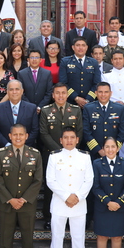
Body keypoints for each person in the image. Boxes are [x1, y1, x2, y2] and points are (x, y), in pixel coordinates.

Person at [0, 123, 43, 248]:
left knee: (28, 236)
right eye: (15, 134)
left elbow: (38, 180)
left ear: (27, 136)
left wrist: (24, 199)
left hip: (27, 204)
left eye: (21, 134)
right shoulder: (0, 153)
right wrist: (10, 199)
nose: (18, 137)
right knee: (6, 236)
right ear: (10, 136)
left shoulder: (35, 154)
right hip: (7, 203)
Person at [47, 127, 94, 248]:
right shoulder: (54, 156)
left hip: (78, 205)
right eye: (66, 137)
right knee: (57, 237)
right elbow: (50, 180)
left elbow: (89, 180)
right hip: (59, 204)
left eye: (72, 137)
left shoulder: (85, 156)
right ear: (61, 140)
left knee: (79, 238)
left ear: (77, 140)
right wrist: (67, 196)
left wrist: (78, 197)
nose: (69, 140)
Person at [39, 83, 83, 230]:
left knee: (71, 184)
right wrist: (59, 150)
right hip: (52, 155)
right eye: (57, 93)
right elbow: (44, 133)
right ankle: (48, 217)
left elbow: (80, 132)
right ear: (53, 95)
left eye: (63, 93)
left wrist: (69, 148)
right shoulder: (46, 111)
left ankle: (70, 216)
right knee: (51, 186)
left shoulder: (76, 110)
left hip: (72, 155)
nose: (60, 96)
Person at [91, 137, 124, 248]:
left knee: (116, 237)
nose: (110, 150)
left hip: (120, 208)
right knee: (102, 236)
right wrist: (108, 202)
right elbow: (95, 186)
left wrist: (119, 202)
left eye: (113, 146)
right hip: (102, 207)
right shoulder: (97, 163)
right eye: (107, 147)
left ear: (118, 148)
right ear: (103, 149)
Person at [82, 82, 124, 158]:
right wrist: (98, 150)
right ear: (96, 93)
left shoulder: (119, 108)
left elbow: (122, 132)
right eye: (100, 92)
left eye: (106, 92)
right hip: (94, 153)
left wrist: (113, 149)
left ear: (111, 93)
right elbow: (86, 131)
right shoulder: (88, 108)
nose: (103, 95)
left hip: (113, 153)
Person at [0, 80, 39, 150]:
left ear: (22, 91)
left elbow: (35, 130)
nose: (14, 92)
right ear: (7, 92)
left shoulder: (31, 108)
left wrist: (21, 145)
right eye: (11, 89)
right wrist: (7, 145)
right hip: (4, 149)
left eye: (17, 89)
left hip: (26, 150)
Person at [59, 37, 101, 108]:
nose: (80, 48)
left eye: (83, 45)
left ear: (87, 47)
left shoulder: (93, 62)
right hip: (71, 102)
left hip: (89, 103)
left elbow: (97, 84)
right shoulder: (65, 61)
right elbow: (63, 83)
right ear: (73, 47)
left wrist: (87, 100)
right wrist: (76, 98)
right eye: (78, 45)